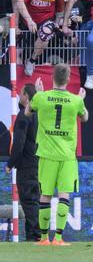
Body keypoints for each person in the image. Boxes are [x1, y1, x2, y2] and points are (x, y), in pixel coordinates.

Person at [27, 64, 87, 246]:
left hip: (46, 154)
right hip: (67, 155)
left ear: (52, 77)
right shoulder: (76, 101)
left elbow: (27, 112)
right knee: (64, 195)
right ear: (68, 80)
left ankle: (44, 238)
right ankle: (58, 238)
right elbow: (85, 118)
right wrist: (81, 99)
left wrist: (38, 93)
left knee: (45, 195)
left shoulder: (41, 97)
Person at [16, 0, 64, 77]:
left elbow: (60, 9)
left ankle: (31, 61)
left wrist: (57, 23)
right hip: (29, 20)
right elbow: (20, 1)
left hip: (47, 20)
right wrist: (29, 20)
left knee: (46, 34)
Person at [8, 83, 41, 242]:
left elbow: (18, 142)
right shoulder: (40, 114)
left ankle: (36, 236)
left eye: (21, 93)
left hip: (27, 165)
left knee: (29, 202)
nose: (19, 96)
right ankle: (32, 237)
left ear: (27, 96)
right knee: (35, 201)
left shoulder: (24, 115)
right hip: (40, 164)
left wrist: (11, 163)